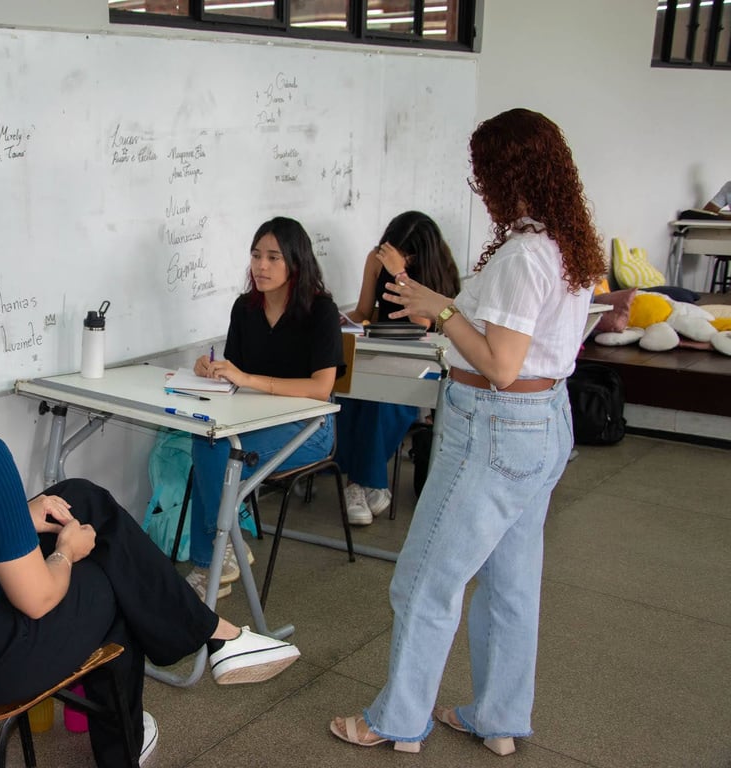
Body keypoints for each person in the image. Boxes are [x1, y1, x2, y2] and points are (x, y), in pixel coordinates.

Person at [0, 254, 301, 768]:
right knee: (110, 580)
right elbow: (38, 598)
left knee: (78, 496)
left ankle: (213, 634)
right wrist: (68, 555)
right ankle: (141, 724)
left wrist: (14, 515)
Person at [329, 108, 606, 755]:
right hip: (542, 427)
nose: (479, 186)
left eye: (483, 171)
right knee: (510, 585)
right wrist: (442, 307)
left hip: (494, 430)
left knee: (425, 579)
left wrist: (441, 309)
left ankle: (395, 721)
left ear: (510, 171)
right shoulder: (567, 244)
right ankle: (499, 718)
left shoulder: (523, 255)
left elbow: (501, 365)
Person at [187, 217, 344, 600]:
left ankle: (215, 556)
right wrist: (209, 370)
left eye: (274, 257)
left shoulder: (320, 310)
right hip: (253, 418)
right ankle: (224, 548)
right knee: (207, 440)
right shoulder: (245, 308)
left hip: (311, 427)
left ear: (296, 262)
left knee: (225, 454)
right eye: (256, 255)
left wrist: (250, 379)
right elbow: (233, 375)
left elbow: (321, 389)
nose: (261, 266)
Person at [336, 211, 461, 525]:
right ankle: (368, 485)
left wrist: (401, 273)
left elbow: (422, 323)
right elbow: (365, 311)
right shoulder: (375, 260)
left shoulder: (438, 269)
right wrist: (341, 320)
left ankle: (358, 484)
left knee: (382, 402)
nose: (395, 257)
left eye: (406, 254)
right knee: (349, 390)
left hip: (421, 362)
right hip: (380, 350)